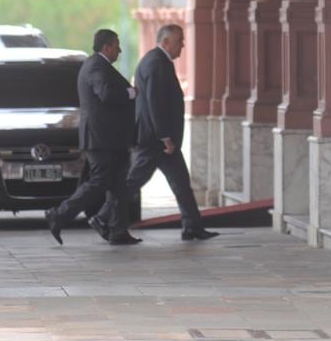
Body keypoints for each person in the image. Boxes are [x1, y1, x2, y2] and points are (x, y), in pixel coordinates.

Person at [104, 24, 218, 242]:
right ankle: (103, 217)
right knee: (132, 183)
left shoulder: (158, 61)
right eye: (179, 41)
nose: (183, 46)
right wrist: (165, 136)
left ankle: (192, 226)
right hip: (155, 139)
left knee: (181, 182)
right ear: (165, 42)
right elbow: (155, 103)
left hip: (160, 139)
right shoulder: (156, 63)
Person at [45, 28, 142, 245]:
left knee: (118, 186)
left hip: (110, 139)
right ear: (106, 47)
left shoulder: (99, 66)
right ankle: (59, 214)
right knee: (99, 181)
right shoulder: (96, 66)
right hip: (101, 139)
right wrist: (131, 93)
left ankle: (118, 231)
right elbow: (106, 94)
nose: (120, 50)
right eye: (117, 46)